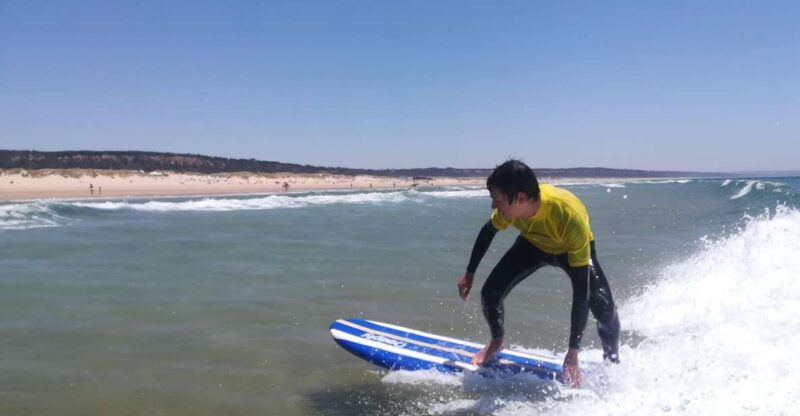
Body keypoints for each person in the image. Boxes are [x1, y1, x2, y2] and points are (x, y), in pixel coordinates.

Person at [457, 159, 620, 387]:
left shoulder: (568, 217)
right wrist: (469, 274)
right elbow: (487, 232)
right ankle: (497, 340)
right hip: (533, 245)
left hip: (569, 249)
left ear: (521, 199)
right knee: (490, 295)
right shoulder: (509, 209)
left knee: (604, 308)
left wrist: (573, 352)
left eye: (498, 200)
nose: (494, 206)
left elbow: (580, 293)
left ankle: (612, 362)